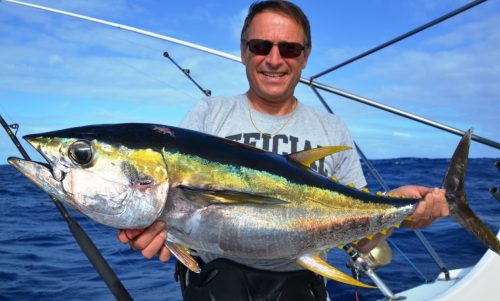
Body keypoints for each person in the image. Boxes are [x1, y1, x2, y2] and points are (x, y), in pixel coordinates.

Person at [118, 1, 449, 300]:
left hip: (301, 288)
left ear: (305, 56)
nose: (274, 60)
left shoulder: (331, 128)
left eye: (289, 49)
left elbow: (360, 241)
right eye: (261, 46)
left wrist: (399, 212)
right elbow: (178, 211)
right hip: (219, 289)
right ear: (244, 51)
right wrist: (157, 233)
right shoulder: (208, 113)